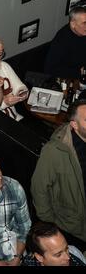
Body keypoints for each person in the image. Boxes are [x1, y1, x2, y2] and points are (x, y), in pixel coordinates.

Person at [31, 99, 86, 252]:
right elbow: (39, 189)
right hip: (73, 228)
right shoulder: (55, 151)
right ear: (74, 125)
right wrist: (51, 224)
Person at [44, 6, 86, 79]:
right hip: (71, 79)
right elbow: (50, 69)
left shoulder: (82, 32)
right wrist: (79, 72)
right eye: (84, 23)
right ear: (73, 24)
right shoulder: (62, 40)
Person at [22, 221, 86, 266]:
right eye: (58, 255)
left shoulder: (74, 251)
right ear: (39, 257)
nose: (67, 257)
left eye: (66, 249)